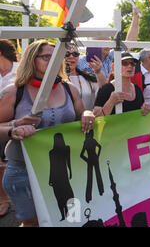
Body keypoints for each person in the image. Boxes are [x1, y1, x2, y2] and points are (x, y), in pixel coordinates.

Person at [0, 40, 95, 227]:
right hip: (24, 171)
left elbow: (82, 113)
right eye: (46, 57)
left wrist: (87, 114)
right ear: (31, 60)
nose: (52, 61)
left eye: (56, 57)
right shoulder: (13, 92)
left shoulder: (69, 88)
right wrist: (14, 129)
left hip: (66, 169)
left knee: (70, 219)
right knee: (34, 223)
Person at [93, 52, 150, 116]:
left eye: (132, 63)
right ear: (113, 66)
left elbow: (141, 114)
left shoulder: (137, 89)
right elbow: (97, 118)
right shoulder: (106, 89)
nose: (130, 66)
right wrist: (111, 102)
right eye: (125, 63)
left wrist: (146, 109)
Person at [0, 39, 19, 217]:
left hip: (18, 123)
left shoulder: (20, 69)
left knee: (12, 163)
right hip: (1, 125)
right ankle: (4, 200)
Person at [66, 44, 107, 110]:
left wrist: (98, 72)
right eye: (67, 54)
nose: (71, 56)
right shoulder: (53, 79)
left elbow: (104, 91)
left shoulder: (87, 78)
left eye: (75, 54)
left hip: (88, 119)